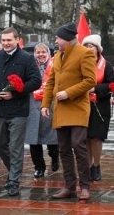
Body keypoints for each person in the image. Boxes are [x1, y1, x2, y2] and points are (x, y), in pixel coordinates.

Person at [0, 27, 41, 196]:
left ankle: (14, 180)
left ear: (17, 40)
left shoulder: (27, 58)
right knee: (0, 144)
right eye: (4, 40)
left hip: (18, 110)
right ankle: (13, 171)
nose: (6, 43)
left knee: (15, 147)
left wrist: (15, 93)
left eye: (9, 40)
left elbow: (35, 81)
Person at [41, 22, 96, 200]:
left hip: (78, 108)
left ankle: (85, 186)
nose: (55, 41)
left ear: (66, 38)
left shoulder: (85, 53)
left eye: (57, 37)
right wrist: (45, 104)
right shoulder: (58, 55)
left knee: (78, 146)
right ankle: (70, 186)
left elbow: (90, 80)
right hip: (60, 109)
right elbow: (50, 82)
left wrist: (69, 93)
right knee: (63, 149)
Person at [82, 35, 114, 181]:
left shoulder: (106, 66)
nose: (89, 49)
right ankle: (88, 167)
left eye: (91, 46)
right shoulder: (80, 63)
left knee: (96, 138)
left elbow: (111, 85)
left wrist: (95, 88)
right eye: (86, 46)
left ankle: (96, 166)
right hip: (82, 106)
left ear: (98, 49)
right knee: (85, 138)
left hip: (100, 106)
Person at [25, 43, 59, 178]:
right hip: (33, 105)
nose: (41, 55)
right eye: (38, 52)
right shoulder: (30, 66)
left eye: (43, 52)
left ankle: (55, 157)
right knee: (34, 139)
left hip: (51, 105)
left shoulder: (55, 65)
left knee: (53, 139)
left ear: (48, 53)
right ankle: (39, 167)